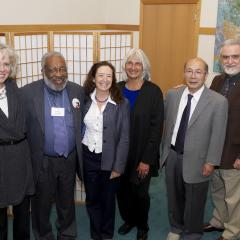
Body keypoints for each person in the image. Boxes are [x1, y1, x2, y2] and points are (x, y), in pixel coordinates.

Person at [161, 57, 228, 240]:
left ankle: (193, 232)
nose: (193, 76)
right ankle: (176, 227)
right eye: (189, 71)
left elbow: (218, 134)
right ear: (184, 74)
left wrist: (211, 161)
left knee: (195, 201)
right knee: (174, 196)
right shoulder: (173, 94)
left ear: (205, 75)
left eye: (198, 72)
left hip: (200, 160)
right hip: (172, 155)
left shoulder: (218, 101)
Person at [21, 51, 85, 240]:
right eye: (53, 69)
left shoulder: (77, 91)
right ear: (43, 71)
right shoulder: (27, 93)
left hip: (69, 159)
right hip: (42, 160)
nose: (59, 74)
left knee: (67, 201)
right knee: (41, 204)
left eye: (63, 69)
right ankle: (44, 235)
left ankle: (67, 234)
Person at [117, 48, 164, 240]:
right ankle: (129, 220)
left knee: (140, 193)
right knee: (122, 192)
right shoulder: (116, 88)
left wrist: (147, 159)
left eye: (138, 63)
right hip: (120, 154)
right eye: (130, 63)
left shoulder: (153, 91)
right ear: (124, 66)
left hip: (142, 153)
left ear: (144, 67)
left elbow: (156, 129)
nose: (133, 67)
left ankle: (142, 225)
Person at [82, 61, 130, 240]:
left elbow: (125, 138)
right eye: (100, 75)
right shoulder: (85, 100)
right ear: (93, 78)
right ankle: (96, 235)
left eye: (109, 76)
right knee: (92, 199)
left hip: (110, 160)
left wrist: (118, 167)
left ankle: (107, 235)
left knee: (108, 201)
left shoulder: (121, 103)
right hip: (88, 157)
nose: (105, 79)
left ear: (113, 79)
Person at [203, 39, 240, 240]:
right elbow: (205, 104)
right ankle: (219, 220)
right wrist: (184, 89)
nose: (230, 61)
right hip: (215, 149)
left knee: (234, 196)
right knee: (217, 189)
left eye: (235, 56)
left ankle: (233, 231)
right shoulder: (217, 81)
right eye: (226, 57)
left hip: (234, 151)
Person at [0, 43, 34, 240]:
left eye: (5, 64)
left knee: (22, 214)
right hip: (1, 158)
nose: (2, 69)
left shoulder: (14, 88)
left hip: (20, 156)